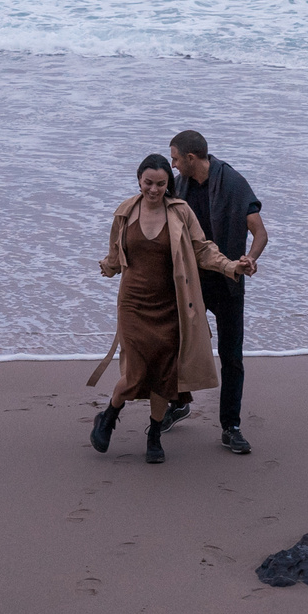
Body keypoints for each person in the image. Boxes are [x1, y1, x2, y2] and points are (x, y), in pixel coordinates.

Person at [87, 153, 243, 465]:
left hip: (170, 306)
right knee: (134, 373)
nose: (154, 189)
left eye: (161, 183)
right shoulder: (125, 212)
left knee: (163, 372)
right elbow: (116, 255)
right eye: (148, 183)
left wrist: (231, 266)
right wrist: (107, 266)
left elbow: (202, 249)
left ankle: (154, 432)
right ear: (139, 181)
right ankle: (109, 415)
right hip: (132, 303)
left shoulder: (180, 212)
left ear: (168, 184)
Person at [164, 130, 267, 454]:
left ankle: (231, 426)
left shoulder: (233, 184)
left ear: (191, 158)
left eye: (176, 158)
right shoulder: (178, 186)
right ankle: (179, 403)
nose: (173, 164)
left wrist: (250, 258)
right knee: (175, 345)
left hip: (227, 281)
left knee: (232, 357)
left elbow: (260, 232)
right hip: (191, 282)